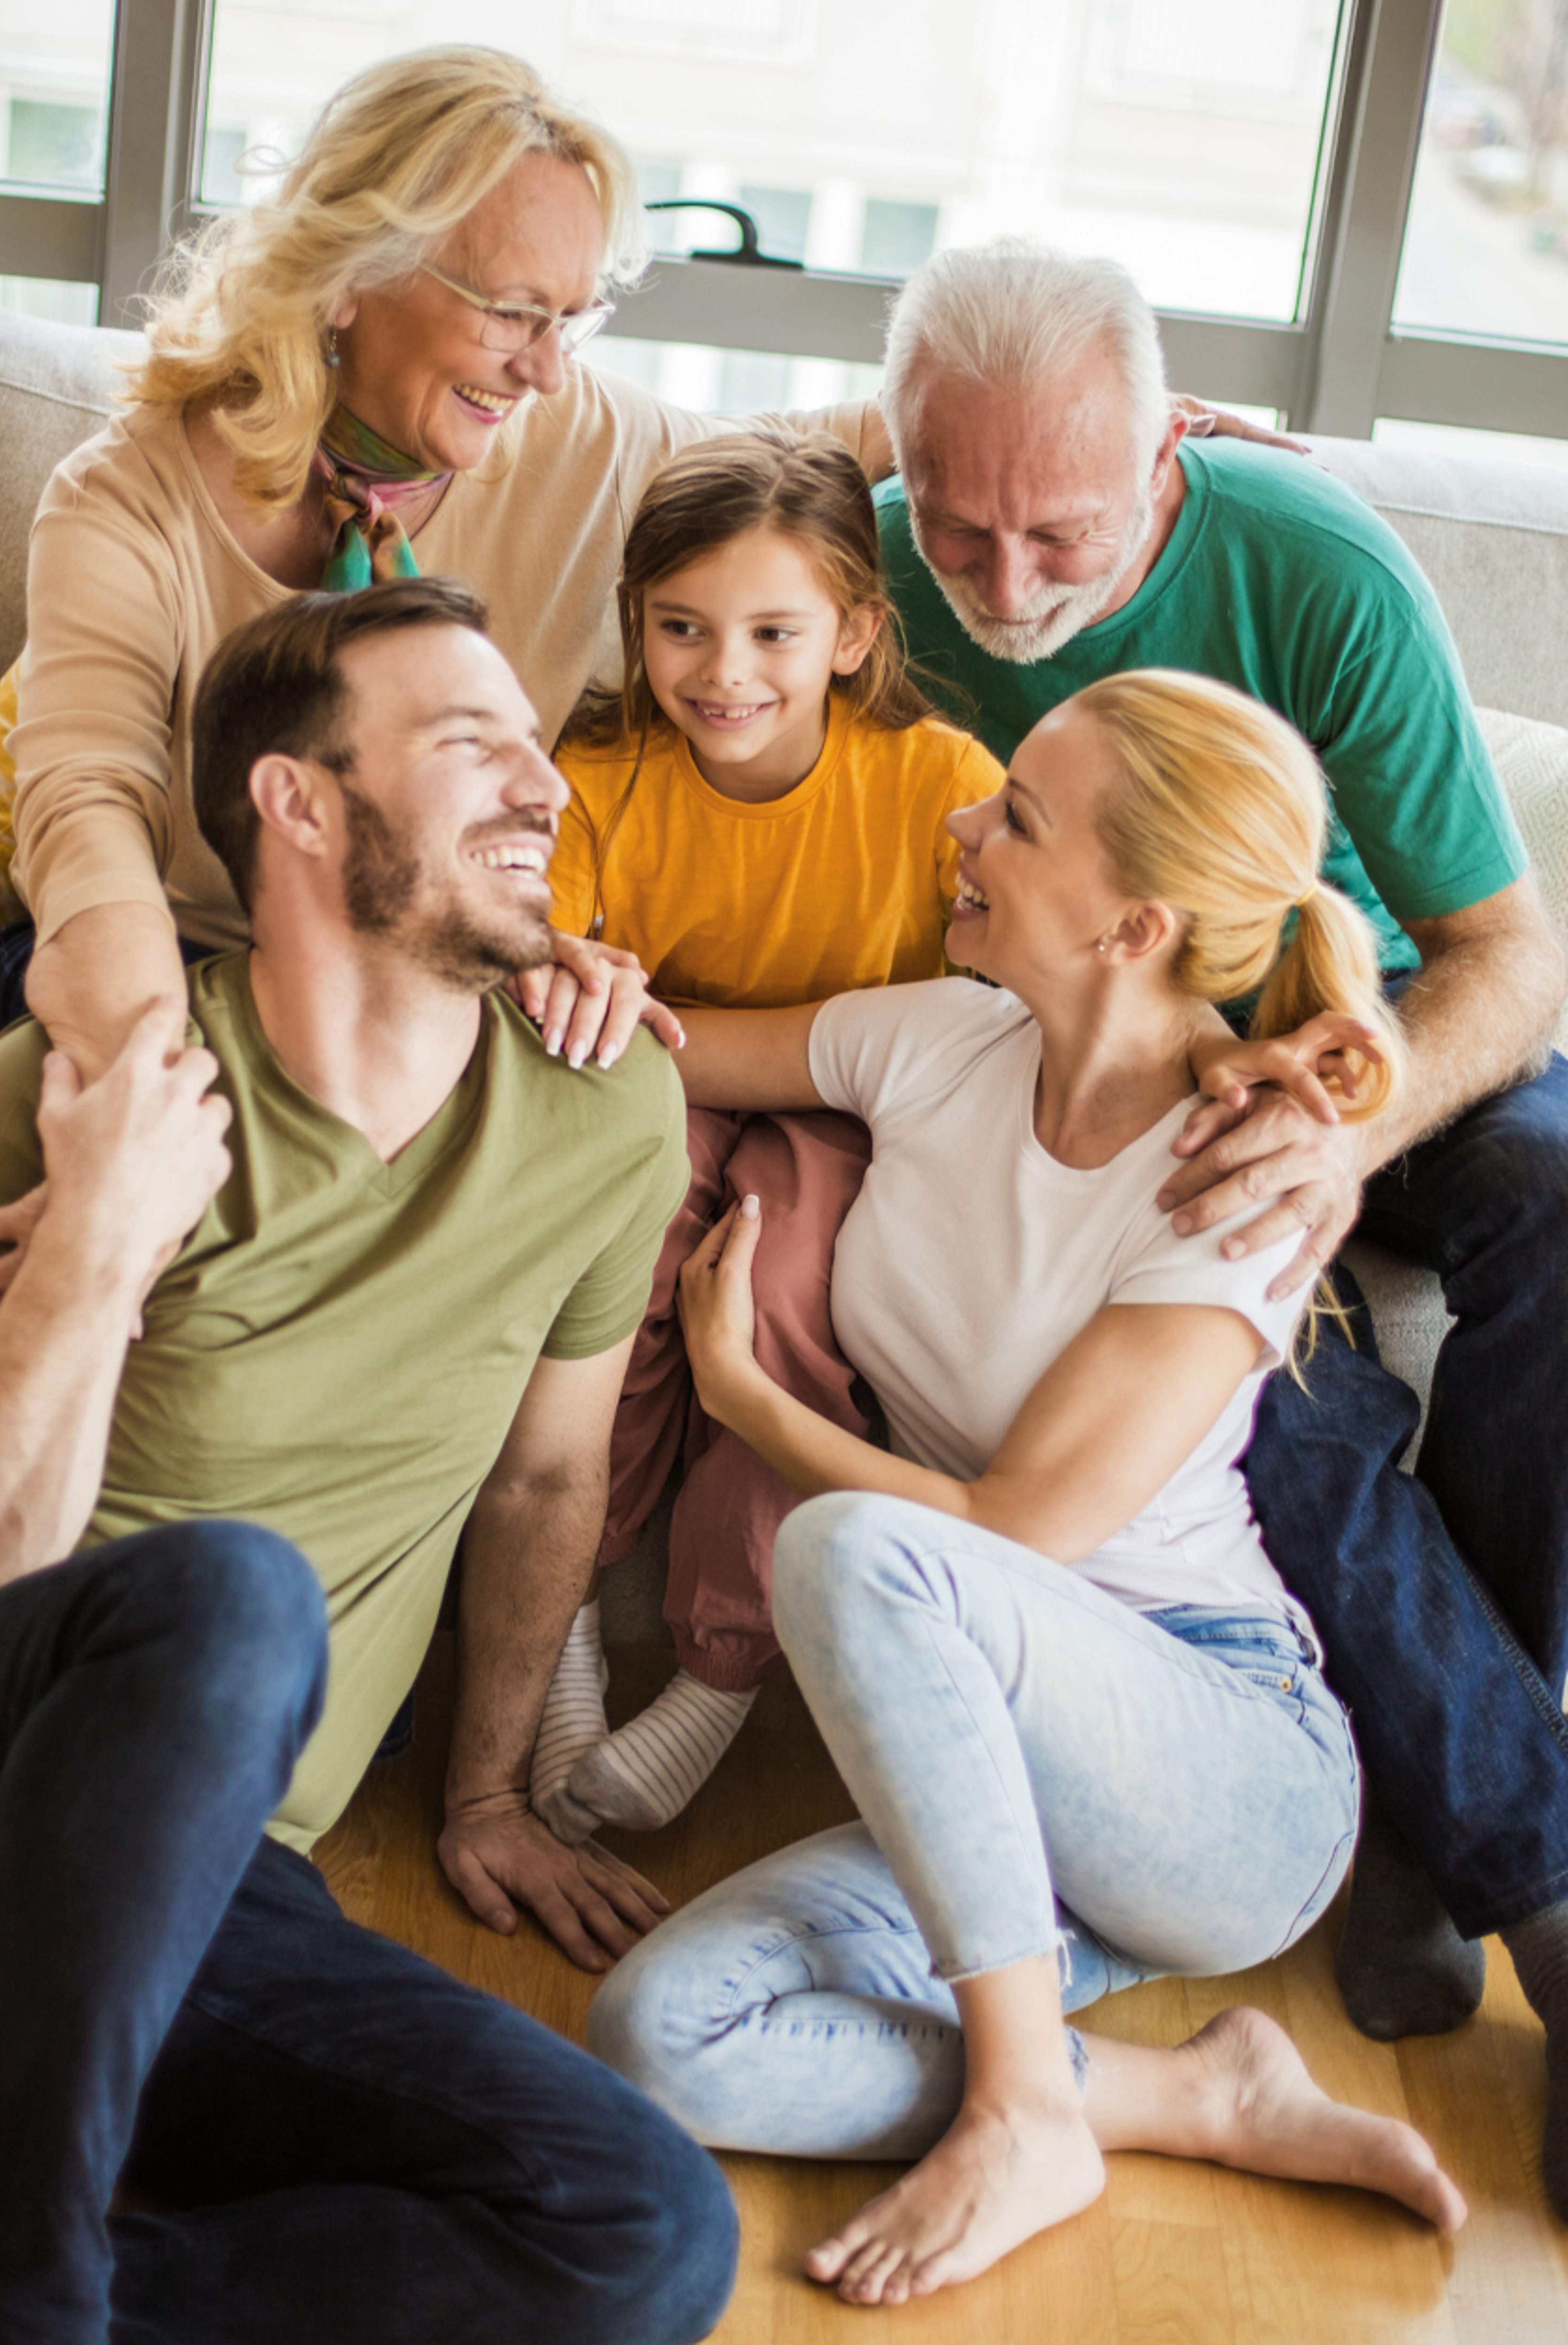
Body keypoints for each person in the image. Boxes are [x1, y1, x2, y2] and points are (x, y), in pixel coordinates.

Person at [0, 579, 737, 2345]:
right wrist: (97, 1247)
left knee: (645, 2225)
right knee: (236, 1595)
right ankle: (23, 2303)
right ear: (297, 800)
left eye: (536, 746)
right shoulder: (82, 1091)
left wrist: (488, 1791)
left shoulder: (610, 1112)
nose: (545, 786)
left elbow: (540, 1489)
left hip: (211, 1892)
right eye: (474, 748)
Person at [586, 671, 1465, 2308]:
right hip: (1002, 1776)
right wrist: (559, 965)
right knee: (660, 2041)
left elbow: (1005, 1539)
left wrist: (742, 1401)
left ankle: (1015, 2111)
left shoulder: (1235, 1177)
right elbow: (678, 1051)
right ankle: (1176, 2097)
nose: (961, 826)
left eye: (1018, 820)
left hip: (1220, 1771)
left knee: (860, 1544)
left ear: (1135, 925)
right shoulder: (941, 1041)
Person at [0, 43, 1289, 1099]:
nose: (548, 368)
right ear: (346, 275)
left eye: (578, 316)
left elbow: (799, 454)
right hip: (200, 955)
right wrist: (145, 1041)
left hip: (447, 972)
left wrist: (1101, 420)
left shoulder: (574, 435)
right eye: (512, 312)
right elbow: (83, 805)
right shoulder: (128, 502)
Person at [872, 237, 1568, 2205]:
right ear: (897, 448)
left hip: (1352, 1035)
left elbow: (1503, 955)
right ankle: (1544, 1886)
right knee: (1287, 1405)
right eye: (961, 522)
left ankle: (1443, 1819)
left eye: (1062, 532)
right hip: (1104, 1091)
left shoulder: (1313, 566)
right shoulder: (863, 549)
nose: (1007, 594)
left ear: (1172, 439)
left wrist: (1352, 1132)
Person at [526, 424, 1004, 1837]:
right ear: (637, 624)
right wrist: (553, 964)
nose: (722, 672)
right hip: (653, 1084)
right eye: (681, 628)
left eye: (772, 633)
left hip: (858, 1105)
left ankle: (722, 1667)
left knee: (784, 1295)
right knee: (616, 1281)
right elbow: (539, 943)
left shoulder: (938, 780)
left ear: (854, 634)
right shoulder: (600, 770)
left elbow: (1002, 993)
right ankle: (557, 1627)